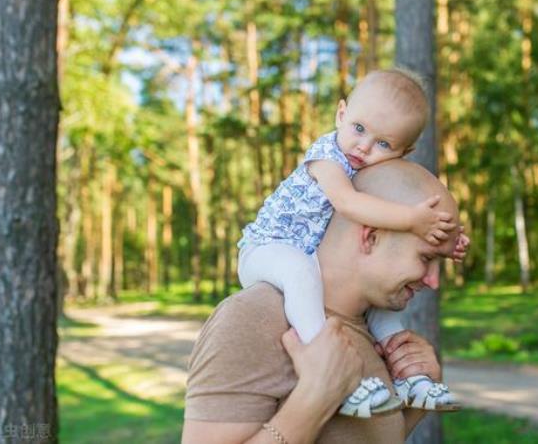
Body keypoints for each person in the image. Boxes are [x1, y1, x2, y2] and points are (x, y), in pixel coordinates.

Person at [236, 69, 468, 417]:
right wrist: (414, 219)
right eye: (359, 128)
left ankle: (411, 380)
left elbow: (398, 203)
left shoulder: (369, 171)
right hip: (266, 250)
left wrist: (444, 238)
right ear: (341, 114)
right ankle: (330, 371)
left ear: (404, 151)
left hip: (306, 257)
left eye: (384, 144)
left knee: (385, 311)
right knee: (299, 270)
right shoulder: (327, 157)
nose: (364, 146)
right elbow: (349, 204)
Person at [183, 159, 463, 443]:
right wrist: (315, 398)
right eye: (426, 258)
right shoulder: (252, 317)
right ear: (371, 237)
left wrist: (416, 395)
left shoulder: (373, 330)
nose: (433, 281)